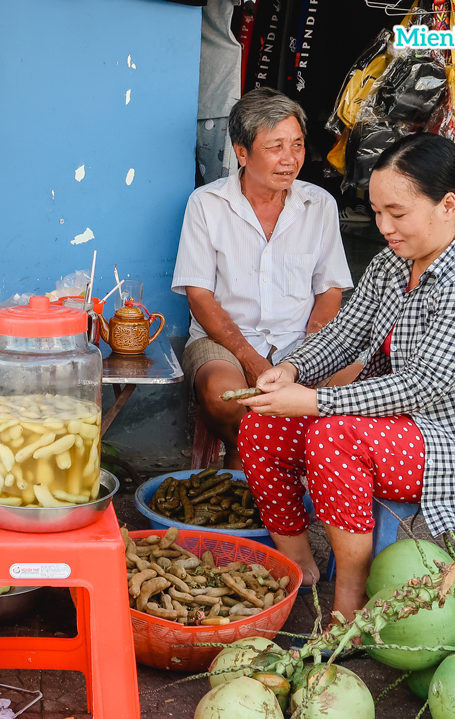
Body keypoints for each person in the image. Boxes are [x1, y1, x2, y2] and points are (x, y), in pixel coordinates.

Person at [234, 133, 455, 621]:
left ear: (447, 205)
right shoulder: (393, 262)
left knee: (334, 436)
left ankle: (351, 600)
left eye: (397, 213)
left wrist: (312, 401)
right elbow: (345, 336)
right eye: (376, 212)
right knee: (262, 424)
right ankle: (299, 565)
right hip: (396, 421)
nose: (384, 227)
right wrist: (288, 369)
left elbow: (422, 384)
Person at [172, 87, 354, 470]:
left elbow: (330, 288)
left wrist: (309, 356)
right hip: (225, 341)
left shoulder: (319, 204)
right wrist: (251, 359)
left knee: (357, 387)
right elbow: (200, 297)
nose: (290, 160)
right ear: (242, 152)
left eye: (298, 145)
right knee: (225, 395)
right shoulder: (207, 204)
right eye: (276, 147)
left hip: (302, 340)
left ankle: (290, 472)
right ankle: (251, 463)